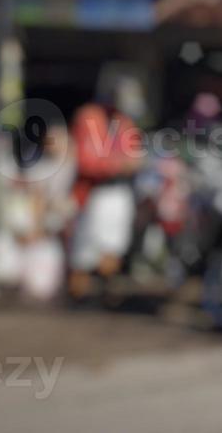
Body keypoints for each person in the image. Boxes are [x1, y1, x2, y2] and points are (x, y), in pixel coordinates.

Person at [67, 78, 145, 299]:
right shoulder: (89, 116)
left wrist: (125, 162)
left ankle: (106, 296)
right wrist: (117, 163)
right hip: (94, 192)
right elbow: (87, 160)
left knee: (113, 247)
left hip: (118, 193)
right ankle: (77, 296)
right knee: (83, 251)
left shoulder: (124, 121)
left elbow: (134, 154)